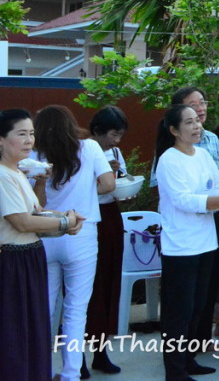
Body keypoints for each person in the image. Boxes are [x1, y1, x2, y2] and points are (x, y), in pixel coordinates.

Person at [155, 105, 219, 381]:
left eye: (197, 121)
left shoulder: (203, 154)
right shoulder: (169, 160)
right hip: (181, 246)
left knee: (198, 306)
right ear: (173, 130)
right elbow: (183, 200)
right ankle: (175, 370)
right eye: (189, 123)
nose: (197, 127)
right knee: (178, 310)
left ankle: (189, 359)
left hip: (206, 242)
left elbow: (217, 182)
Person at [31, 106, 115, 381]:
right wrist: (88, 190)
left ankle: (40, 369)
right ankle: (70, 374)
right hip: (82, 231)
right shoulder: (89, 147)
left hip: (45, 232)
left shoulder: (34, 154)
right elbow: (108, 184)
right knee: (76, 309)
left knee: (45, 307)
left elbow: (32, 201)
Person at [1, 109, 86, 381]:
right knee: (15, 332)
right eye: (21, 134)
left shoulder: (17, 172)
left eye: (32, 134)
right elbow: (23, 222)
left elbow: (37, 214)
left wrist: (66, 220)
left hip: (29, 257)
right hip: (12, 262)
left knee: (32, 329)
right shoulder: (3, 175)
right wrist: (65, 223)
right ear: (1, 140)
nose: (29, 140)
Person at [84, 105, 131, 376]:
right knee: (88, 287)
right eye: (113, 134)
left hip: (111, 215)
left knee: (110, 281)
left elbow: (122, 182)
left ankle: (101, 352)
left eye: (120, 135)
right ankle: (76, 356)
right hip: (90, 217)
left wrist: (118, 177)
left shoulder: (114, 152)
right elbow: (77, 188)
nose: (116, 141)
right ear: (97, 131)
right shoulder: (82, 151)